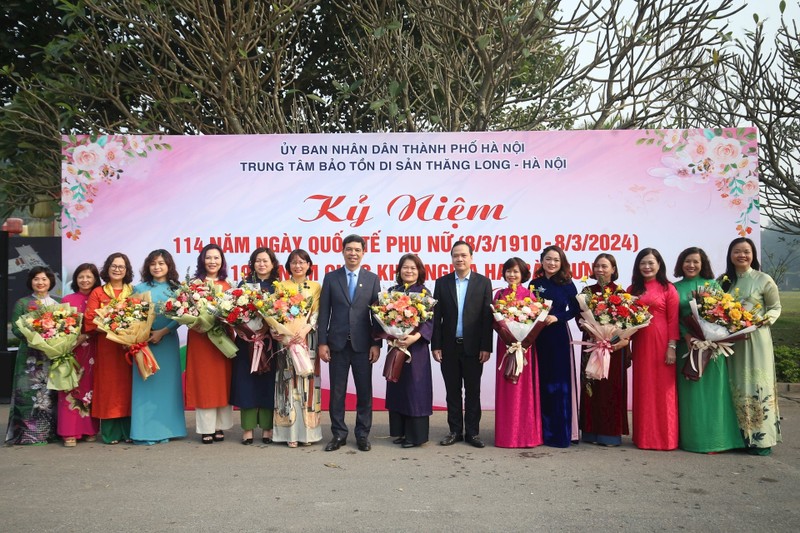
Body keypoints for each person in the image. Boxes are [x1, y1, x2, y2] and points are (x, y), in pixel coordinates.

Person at [673, 247, 743, 453]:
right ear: (681, 264)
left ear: (703, 264)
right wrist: (688, 336)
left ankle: (716, 440)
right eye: (687, 261)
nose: (691, 265)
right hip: (687, 348)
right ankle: (693, 440)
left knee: (715, 394)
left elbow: (725, 314)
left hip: (713, 348)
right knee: (690, 395)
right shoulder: (674, 288)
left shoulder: (713, 286)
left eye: (696, 261)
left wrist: (713, 336)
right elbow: (673, 318)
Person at [318, 234, 381, 452]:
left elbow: (378, 315)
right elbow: (324, 312)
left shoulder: (372, 279)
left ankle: (362, 434)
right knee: (337, 392)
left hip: (364, 345)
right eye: (349, 249)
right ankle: (339, 434)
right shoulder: (331, 278)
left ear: (364, 252)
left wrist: (376, 344)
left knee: (364, 392)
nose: (353, 253)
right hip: (337, 344)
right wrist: (322, 343)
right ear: (343, 251)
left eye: (357, 249)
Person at [719, 237, 782, 455]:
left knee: (756, 383)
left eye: (746, 251)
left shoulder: (763, 279)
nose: (742, 255)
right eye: (737, 251)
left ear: (753, 254)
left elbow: (775, 307)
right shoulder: (724, 282)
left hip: (757, 340)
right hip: (732, 343)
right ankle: (736, 437)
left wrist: (763, 320)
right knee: (734, 383)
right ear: (730, 255)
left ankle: (761, 440)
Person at [431, 240, 493, 448]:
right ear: (451, 258)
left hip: (474, 348)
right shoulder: (442, 283)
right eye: (455, 255)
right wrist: (435, 345)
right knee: (452, 391)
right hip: (448, 347)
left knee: (473, 391)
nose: (459, 259)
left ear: (471, 258)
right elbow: (436, 318)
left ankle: (473, 433)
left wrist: (486, 347)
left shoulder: (483, 283)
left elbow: (487, 318)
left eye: (463, 255)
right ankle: (455, 431)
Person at [131, 249, 187, 445]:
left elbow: (182, 316)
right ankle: (143, 431)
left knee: (167, 387)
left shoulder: (177, 290)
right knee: (145, 385)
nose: (157, 267)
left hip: (166, 342)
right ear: (148, 266)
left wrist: (163, 331)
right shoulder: (138, 289)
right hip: (144, 344)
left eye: (161, 263)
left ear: (169, 266)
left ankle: (168, 429)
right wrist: (142, 334)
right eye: (153, 263)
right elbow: (131, 316)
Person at [628, 247, 679, 451]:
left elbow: (673, 320)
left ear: (659, 265)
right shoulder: (632, 290)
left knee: (663, 391)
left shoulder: (668, 288)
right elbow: (626, 321)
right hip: (640, 344)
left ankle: (666, 438)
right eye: (643, 263)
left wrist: (672, 347)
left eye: (651, 263)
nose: (647, 267)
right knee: (644, 389)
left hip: (662, 344)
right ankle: (643, 437)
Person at [529, 245, 579, 448]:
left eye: (556, 260)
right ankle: (539, 432)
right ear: (542, 261)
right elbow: (528, 307)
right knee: (540, 381)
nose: (552, 263)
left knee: (559, 384)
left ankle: (559, 434)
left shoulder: (567, 284)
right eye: (548, 259)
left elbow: (575, 310)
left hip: (558, 335)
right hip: (537, 337)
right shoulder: (535, 283)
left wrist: (557, 317)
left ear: (562, 263)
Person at [579, 253, 630, 447]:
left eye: (605, 266)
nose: (600, 270)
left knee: (610, 390)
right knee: (591, 387)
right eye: (597, 266)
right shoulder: (586, 291)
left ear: (613, 269)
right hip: (592, 344)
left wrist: (613, 339)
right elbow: (580, 317)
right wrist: (593, 331)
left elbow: (628, 321)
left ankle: (609, 434)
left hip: (613, 348)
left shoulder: (621, 292)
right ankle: (590, 431)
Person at [273, 249, 323, 447]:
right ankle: (289, 434)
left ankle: (308, 434)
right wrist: (281, 332)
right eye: (294, 262)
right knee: (287, 384)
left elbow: (317, 312)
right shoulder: (281, 286)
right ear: (288, 266)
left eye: (302, 262)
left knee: (307, 383)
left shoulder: (315, 286)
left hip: (307, 340)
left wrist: (304, 330)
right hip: (285, 341)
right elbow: (275, 312)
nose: (298, 266)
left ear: (309, 265)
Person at [5, 266, 60, 445]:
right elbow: (15, 327)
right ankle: (25, 434)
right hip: (29, 356)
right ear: (31, 282)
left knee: (48, 393)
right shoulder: (22, 303)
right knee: (27, 393)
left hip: (49, 356)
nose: (40, 282)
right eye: (36, 279)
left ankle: (47, 433)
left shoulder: (57, 305)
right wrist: (34, 336)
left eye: (44, 279)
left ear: (50, 281)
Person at [185, 244, 234, 444]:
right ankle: (206, 428)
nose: (212, 261)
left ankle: (219, 426)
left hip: (222, 339)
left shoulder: (228, 285)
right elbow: (184, 311)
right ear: (202, 261)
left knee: (222, 381)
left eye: (216, 258)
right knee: (204, 381)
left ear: (222, 261)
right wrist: (196, 322)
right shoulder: (193, 285)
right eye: (208, 258)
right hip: (200, 338)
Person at [84, 253, 135, 444]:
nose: (117, 269)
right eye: (114, 266)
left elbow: (142, 316)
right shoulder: (98, 292)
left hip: (128, 347)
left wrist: (128, 332)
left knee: (128, 388)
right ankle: (110, 433)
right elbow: (90, 319)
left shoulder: (133, 291)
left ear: (127, 270)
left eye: (121, 266)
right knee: (108, 388)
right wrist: (112, 328)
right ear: (107, 268)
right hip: (107, 347)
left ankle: (129, 432)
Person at [230, 247, 279, 445]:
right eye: (258, 261)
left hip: (269, 344)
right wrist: (241, 329)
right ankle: (248, 429)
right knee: (246, 384)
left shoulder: (278, 288)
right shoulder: (243, 285)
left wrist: (267, 328)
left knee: (267, 384)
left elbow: (280, 315)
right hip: (246, 343)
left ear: (273, 264)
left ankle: (267, 429)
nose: (262, 264)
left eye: (265, 261)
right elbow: (233, 311)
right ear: (253, 263)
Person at [385, 253, 434, 448]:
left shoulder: (424, 293)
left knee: (416, 390)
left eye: (413, 268)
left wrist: (414, 337)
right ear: (399, 270)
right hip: (397, 346)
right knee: (398, 387)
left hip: (416, 349)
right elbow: (384, 318)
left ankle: (416, 436)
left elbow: (429, 320)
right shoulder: (392, 292)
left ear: (419, 271)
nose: (409, 271)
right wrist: (393, 335)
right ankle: (401, 432)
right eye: (405, 267)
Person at [494, 257, 542, 448]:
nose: (512, 275)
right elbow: (494, 321)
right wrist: (508, 337)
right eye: (508, 271)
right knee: (507, 388)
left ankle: (525, 435)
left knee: (523, 390)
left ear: (523, 274)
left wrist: (523, 341)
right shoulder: (499, 295)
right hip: (505, 346)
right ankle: (506, 435)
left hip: (526, 348)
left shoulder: (530, 296)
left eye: (516, 271)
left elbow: (536, 321)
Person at [57, 263, 102, 447]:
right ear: (75, 279)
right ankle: (69, 432)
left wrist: (88, 333)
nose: (85, 280)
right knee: (69, 388)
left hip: (93, 349)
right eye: (81, 276)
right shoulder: (67, 299)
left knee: (90, 388)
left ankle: (89, 429)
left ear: (95, 279)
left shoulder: (99, 298)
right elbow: (59, 327)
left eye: (89, 277)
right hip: (71, 350)